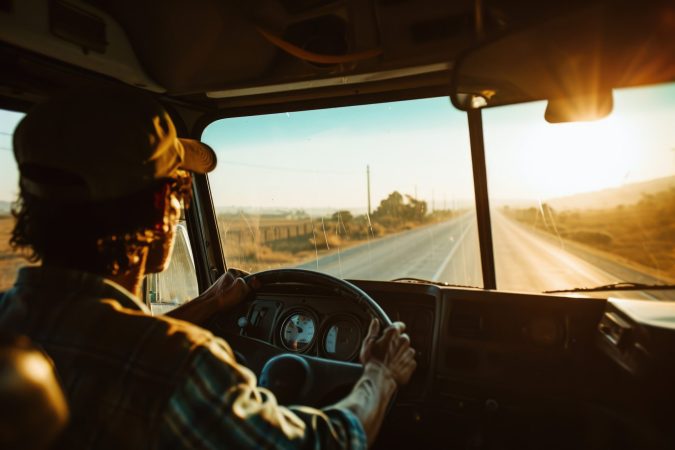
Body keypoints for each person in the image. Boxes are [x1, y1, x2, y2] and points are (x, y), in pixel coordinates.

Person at [0, 88, 417, 449]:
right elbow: (323, 443)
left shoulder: (9, 320)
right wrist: (380, 375)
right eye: (180, 188)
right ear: (163, 205)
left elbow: (103, 336)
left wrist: (210, 303)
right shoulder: (180, 366)